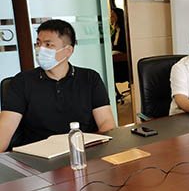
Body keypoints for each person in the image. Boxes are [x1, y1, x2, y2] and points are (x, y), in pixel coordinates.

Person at [0, 20, 116, 152]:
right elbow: (5, 128)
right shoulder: (21, 81)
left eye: (48, 45)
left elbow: (106, 123)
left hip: (83, 152)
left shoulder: (90, 78)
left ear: (68, 51)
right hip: (38, 155)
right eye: (38, 43)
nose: (40, 49)